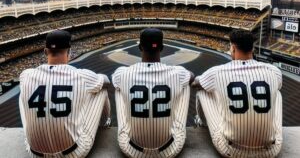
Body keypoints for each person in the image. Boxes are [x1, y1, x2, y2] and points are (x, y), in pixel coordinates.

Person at [19, 29, 111, 158]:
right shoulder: (81, 75)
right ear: (69, 52)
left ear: (45, 51)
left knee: (23, 93)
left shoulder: (26, 75)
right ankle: (105, 122)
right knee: (101, 89)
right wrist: (97, 78)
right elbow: (107, 82)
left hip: (35, 154)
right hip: (74, 152)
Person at [193, 29, 282, 157]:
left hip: (231, 150)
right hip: (270, 150)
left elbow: (196, 83)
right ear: (252, 49)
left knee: (203, 91)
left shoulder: (217, 72)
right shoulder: (274, 71)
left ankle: (200, 122)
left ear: (233, 48)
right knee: (277, 94)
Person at [112, 28, 194, 158]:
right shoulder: (178, 73)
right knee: (185, 85)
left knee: (118, 88)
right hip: (170, 149)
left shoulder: (122, 73)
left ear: (140, 47)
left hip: (130, 149)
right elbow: (192, 76)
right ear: (161, 48)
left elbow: (114, 81)